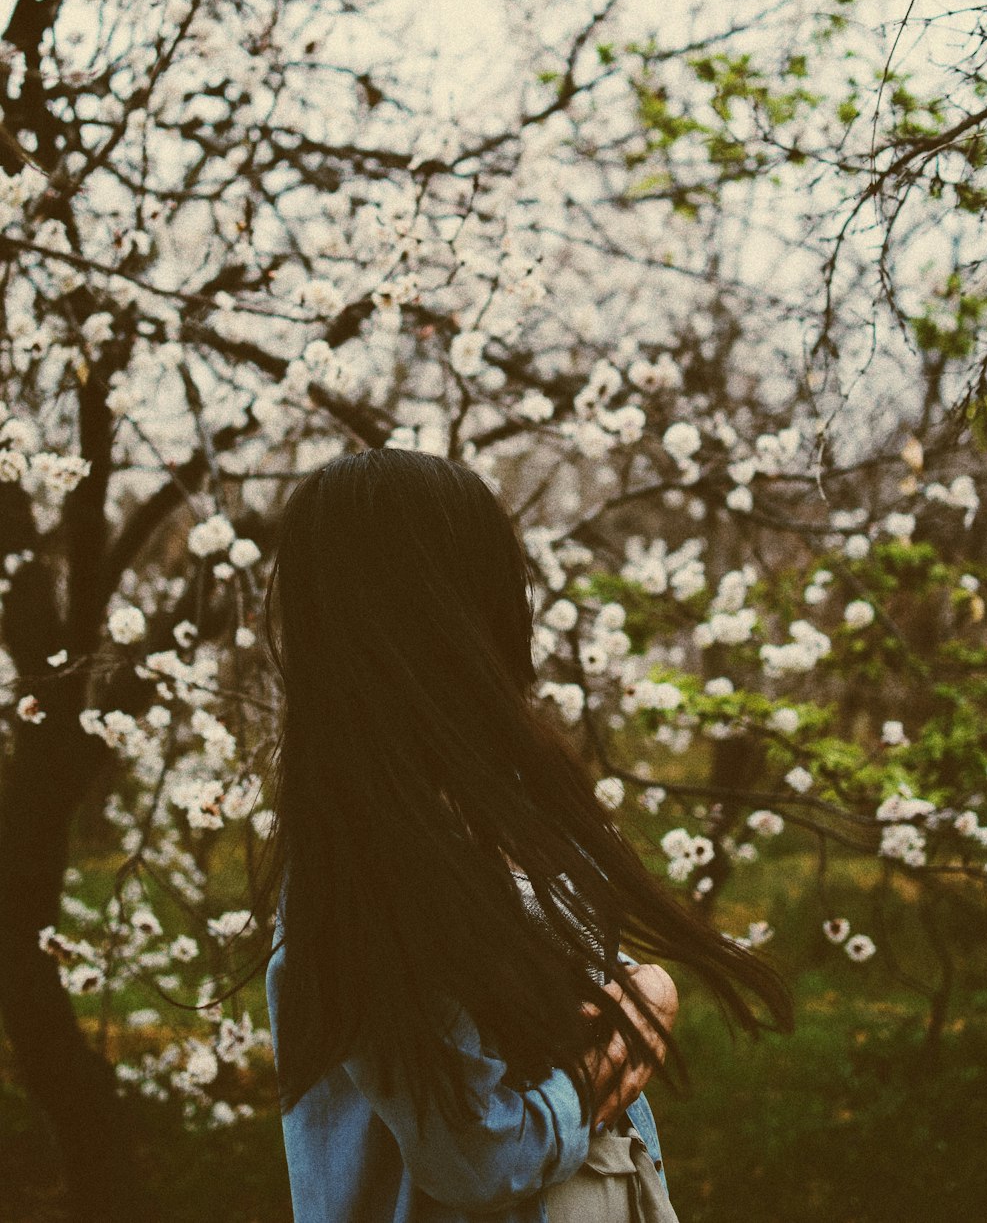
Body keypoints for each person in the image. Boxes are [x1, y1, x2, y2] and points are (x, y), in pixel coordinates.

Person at [257, 448, 794, 1221]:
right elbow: (477, 1154)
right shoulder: (369, 867)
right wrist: (634, 1026)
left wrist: (645, 994)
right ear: (457, 605)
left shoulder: (494, 810)